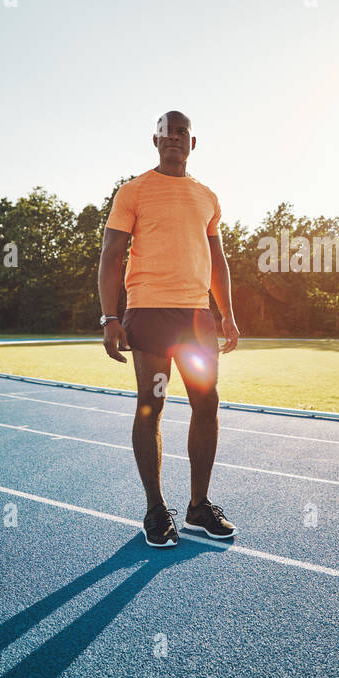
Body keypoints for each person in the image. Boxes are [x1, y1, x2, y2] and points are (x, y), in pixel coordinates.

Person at [97, 110, 241, 547]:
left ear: (192, 143)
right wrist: (109, 316)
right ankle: (156, 510)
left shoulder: (207, 197)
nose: (174, 137)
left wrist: (227, 314)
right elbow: (110, 256)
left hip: (196, 319)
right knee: (151, 405)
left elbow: (218, 261)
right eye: (166, 132)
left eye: (182, 132)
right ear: (155, 141)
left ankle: (199, 507)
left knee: (206, 403)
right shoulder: (133, 191)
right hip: (150, 313)